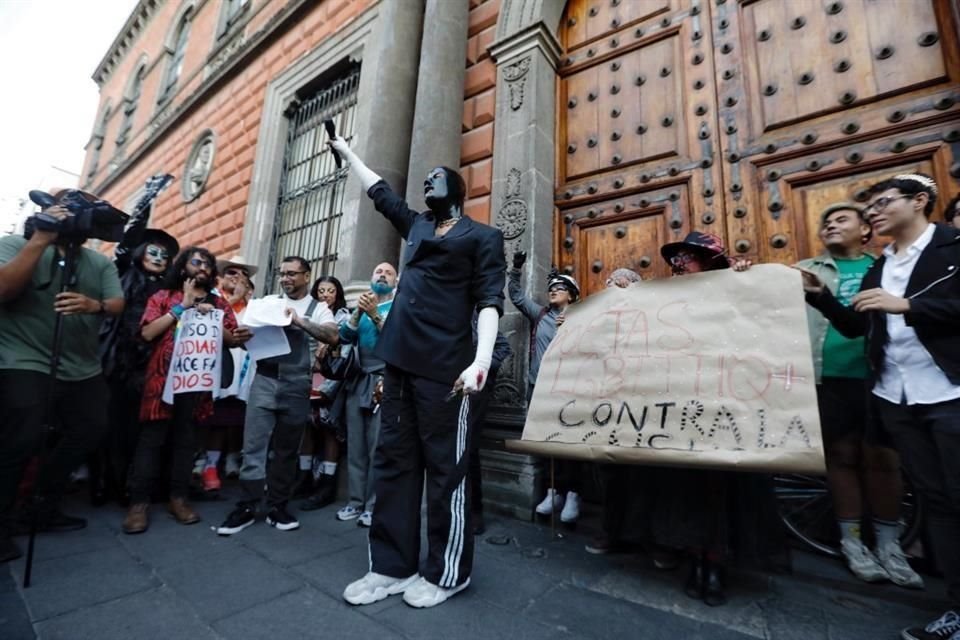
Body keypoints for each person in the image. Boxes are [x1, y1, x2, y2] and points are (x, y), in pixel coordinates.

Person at [330, 135, 506, 609]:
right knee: (393, 463)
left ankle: (448, 573)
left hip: (448, 369)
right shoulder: (419, 227)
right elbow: (380, 194)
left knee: (447, 472)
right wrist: (350, 157)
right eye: (424, 179)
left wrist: (481, 362)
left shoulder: (483, 238)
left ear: (459, 188)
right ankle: (390, 566)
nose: (428, 181)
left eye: (436, 176)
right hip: (400, 362)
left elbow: (491, 302)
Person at [802, 173, 960, 640]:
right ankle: (955, 608)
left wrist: (910, 305)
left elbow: (916, 309)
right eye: (869, 206)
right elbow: (857, 327)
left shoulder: (952, 249)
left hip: (948, 393)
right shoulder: (880, 267)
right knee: (937, 502)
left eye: (884, 202)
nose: (874, 212)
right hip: (895, 396)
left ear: (919, 201)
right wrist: (824, 299)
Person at [653, 231, 787, 607]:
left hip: (729, 407)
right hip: (681, 406)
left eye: (688, 258)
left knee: (721, 489)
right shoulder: (666, 301)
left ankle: (714, 563)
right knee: (687, 488)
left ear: (711, 261)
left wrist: (746, 283)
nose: (679, 265)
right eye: (675, 259)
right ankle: (693, 555)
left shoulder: (739, 291)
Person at [796, 203, 922, 588]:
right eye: (826, 222)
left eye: (841, 220)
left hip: (880, 376)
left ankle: (890, 545)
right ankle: (852, 544)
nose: (831, 225)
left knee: (883, 459)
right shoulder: (806, 271)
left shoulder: (885, 267)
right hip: (827, 377)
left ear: (866, 230)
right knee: (841, 458)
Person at [0, 189, 125, 562]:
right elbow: (4, 290)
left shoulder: (97, 263)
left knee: (92, 428)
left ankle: (41, 502)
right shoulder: (13, 245)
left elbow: (116, 304)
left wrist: (94, 305)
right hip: (23, 359)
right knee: (20, 438)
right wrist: (41, 238)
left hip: (82, 366)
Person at [122, 247, 248, 534]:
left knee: (186, 441)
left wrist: (222, 326)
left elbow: (230, 340)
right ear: (182, 268)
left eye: (207, 263)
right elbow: (148, 333)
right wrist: (184, 306)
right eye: (196, 262)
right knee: (151, 441)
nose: (202, 267)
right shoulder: (163, 297)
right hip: (162, 382)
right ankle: (139, 503)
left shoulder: (218, 303)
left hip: (197, 386)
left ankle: (178, 498)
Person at [216, 256, 338, 536]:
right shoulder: (267, 303)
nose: (285, 279)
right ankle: (247, 505)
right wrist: (243, 337)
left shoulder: (318, 308)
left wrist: (299, 320)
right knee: (254, 447)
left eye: (292, 274)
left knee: (286, 450)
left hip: (297, 386)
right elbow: (245, 343)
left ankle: (277, 506)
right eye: (282, 273)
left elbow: (332, 336)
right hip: (265, 380)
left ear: (307, 276)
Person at [96, 203, 179, 505]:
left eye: (164, 255)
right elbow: (124, 246)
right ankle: (114, 486)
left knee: (151, 431)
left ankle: (145, 485)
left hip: (157, 368)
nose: (159, 258)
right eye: (152, 252)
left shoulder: (171, 289)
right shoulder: (125, 275)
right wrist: (143, 208)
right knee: (119, 428)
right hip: (122, 364)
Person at [509, 251, 583, 524]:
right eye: (551, 288)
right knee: (548, 441)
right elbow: (516, 296)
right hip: (540, 387)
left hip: (570, 390)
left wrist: (575, 325)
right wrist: (516, 269)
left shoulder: (584, 318)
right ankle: (554, 492)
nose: (553, 292)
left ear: (572, 295)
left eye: (560, 288)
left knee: (571, 443)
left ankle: (574, 493)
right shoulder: (540, 314)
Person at [327, 262, 398, 527]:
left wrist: (375, 316)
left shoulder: (397, 308)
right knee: (356, 446)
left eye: (388, 273)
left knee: (378, 446)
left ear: (395, 282)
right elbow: (343, 338)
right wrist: (358, 313)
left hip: (383, 382)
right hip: (358, 381)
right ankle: (355, 502)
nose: (382, 274)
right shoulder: (361, 307)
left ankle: (373, 506)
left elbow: (397, 341)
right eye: (377, 271)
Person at [200, 255, 258, 491]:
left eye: (242, 273)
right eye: (231, 273)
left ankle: (232, 457)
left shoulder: (253, 307)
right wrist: (233, 299)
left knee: (235, 418)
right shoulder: (212, 300)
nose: (237, 277)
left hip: (243, 375)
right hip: (214, 371)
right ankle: (208, 463)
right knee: (213, 419)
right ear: (221, 279)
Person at [299, 275, 351, 510]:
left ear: (337, 294)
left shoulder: (344, 317)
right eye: (321, 291)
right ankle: (304, 477)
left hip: (331, 381)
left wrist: (330, 348)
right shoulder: (310, 314)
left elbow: (346, 350)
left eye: (330, 290)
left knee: (330, 427)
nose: (325, 295)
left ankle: (327, 483)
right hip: (307, 377)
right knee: (308, 427)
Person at [468, 312, 512, 536]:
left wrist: (481, 368)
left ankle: (475, 510)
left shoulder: (479, 317)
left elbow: (504, 347)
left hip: (475, 390)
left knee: (469, 449)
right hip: (446, 388)